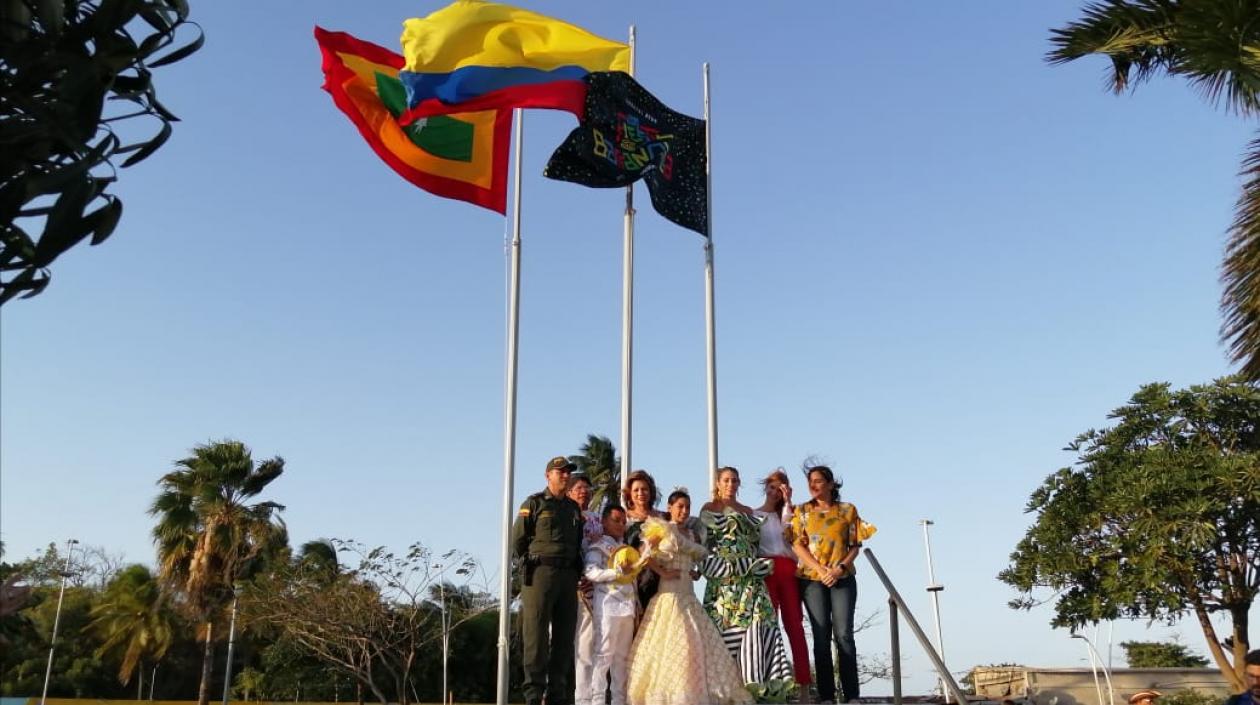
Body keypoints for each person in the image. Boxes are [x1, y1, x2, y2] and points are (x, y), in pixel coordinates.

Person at [626, 489, 753, 705]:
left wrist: (695, 572)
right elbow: (644, 555)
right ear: (670, 508)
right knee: (676, 644)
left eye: (687, 507)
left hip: (689, 595)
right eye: (679, 507)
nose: (684, 511)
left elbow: (695, 558)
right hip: (669, 596)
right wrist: (664, 572)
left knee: (697, 644)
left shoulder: (692, 534)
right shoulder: (662, 529)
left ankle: (697, 691)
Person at [699, 466, 794, 691]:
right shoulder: (710, 508)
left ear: (739, 484)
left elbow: (756, 545)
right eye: (726, 480)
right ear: (718, 483)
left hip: (750, 576)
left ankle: (754, 684)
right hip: (723, 579)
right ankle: (723, 688)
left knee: (759, 624)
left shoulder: (748, 511)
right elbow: (703, 544)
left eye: (734, 480)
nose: (730, 484)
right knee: (723, 628)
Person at [512, 456, 584, 705]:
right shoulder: (534, 504)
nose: (565, 476)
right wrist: (531, 565)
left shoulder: (574, 509)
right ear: (548, 476)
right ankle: (533, 695)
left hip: (567, 577)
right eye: (560, 472)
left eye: (568, 473)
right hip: (540, 574)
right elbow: (518, 542)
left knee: (564, 640)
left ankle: (557, 696)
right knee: (536, 637)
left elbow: (577, 543)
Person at [789, 465, 863, 704]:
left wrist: (838, 569)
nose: (814, 485)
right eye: (811, 481)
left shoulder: (847, 510)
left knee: (843, 635)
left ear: (831, 484)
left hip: (842, 577)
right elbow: (796, 544)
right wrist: (820, 569)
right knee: (821, 636)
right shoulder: (802, 511)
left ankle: (852, 695)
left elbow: (855, 544)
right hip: (812, 580)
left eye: (819, 481)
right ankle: (826, 695)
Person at [755, 468, 812, 695]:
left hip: (789, 570)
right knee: (768, 627)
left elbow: (793, 533)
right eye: (771, 487)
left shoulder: (791, 514)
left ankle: (805, 686)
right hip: (766, 570)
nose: (775, 492)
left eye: (780, 488)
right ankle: (770, 685)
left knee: (795, 626)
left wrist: (788, 502)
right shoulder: (753, 514)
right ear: (765, 488)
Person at [583, 505, 637, 705]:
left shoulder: (627, 548)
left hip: (627, 608)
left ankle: (619, 701)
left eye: (624, 521)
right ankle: (597, 700)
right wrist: (615, 573)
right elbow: (591, 572)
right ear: (604, 521)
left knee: (622, 659)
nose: (621, 525)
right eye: (616, 520)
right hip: (607, 608)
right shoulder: (598, 546)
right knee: (603, 656)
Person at [568, 473, 603, 705]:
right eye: (579, 488)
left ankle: (594, 697)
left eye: (587, 488)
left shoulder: (598, 519)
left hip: (597, 588)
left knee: (594, 645)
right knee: (576, 646)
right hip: (570, 588)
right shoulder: (564, 515)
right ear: (570, 492)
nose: (584, 492)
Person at [621, 469, 665, 612]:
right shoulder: (623, 518)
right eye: (636, 490)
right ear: (629, 494)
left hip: (661, 576)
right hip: (635, 577)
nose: (640, 493)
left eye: (644, 489)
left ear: (651, 492)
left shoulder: (663, 517)